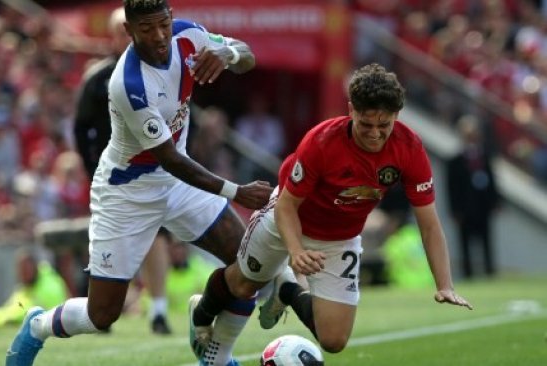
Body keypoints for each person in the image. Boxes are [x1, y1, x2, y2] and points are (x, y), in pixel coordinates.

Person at [5, 1, 272, 365]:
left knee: (250, 264)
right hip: (128, 193)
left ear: (172, 18)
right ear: (130, 31)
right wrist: (236, 191)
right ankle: (37, 326)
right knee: (101, 315)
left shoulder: (189, 34)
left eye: (163, 24)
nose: (159, 36)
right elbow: (170, 159)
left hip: (178, 183)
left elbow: (248, 55)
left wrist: (227, 52)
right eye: (147, 29)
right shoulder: (129, 83)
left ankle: (215, 353)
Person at [189, 63, 472, 364]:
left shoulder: (410, 148)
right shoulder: (322, 141)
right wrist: (296, 251)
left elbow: (428, 224)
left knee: (334, 340)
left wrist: (444, 285)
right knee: (244, 285)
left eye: (384, 125)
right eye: (366, 124)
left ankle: (286, 289)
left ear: (396, 117)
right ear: (351, 110)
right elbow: (286, 206)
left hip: (340, 237)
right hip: (287, 219)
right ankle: (202, 311)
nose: (375, 134)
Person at [72, 6, 173, 334]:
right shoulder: (99, 78)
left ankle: (157, 308)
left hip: (155, 171)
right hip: (114, 177)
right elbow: (80, 128)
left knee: (156, 236)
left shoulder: (162, 69)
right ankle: (105, 307)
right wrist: (91, 169)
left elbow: (186, 116)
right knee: (111, 242)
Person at [446, 114, 499, 278]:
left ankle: (490, 270)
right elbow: (451, 188)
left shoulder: (485, 157)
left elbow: (492, 181)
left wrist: (495, 202)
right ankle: (468, 273)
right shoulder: (455, 161)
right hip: (465, 208)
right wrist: (455, 210)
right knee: (465, 242)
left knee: (486, 240)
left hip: (483, 205)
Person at [0, 248, 69, 328]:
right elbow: (10, 309)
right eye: (20, 269)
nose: (22, 273)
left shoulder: (49, 286)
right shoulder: (27, 287)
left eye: (26, 269)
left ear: (34, 267)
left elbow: (25, 313)